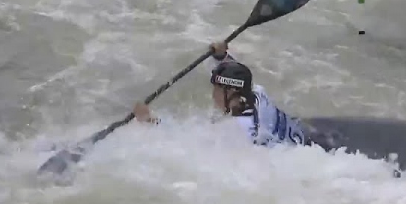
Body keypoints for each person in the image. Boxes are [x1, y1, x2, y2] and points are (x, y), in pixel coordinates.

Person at [132, 41, 309, 147]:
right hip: (302, 138)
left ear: (231, 91)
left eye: (217, 89)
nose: (213, 94)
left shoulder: (236, 129)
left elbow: (188, 142)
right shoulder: (257, 93)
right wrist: (221, 56)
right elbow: (237, 74)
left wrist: (149, 120)